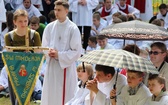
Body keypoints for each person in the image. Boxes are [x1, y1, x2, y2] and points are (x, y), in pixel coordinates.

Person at [41, 1, 82, 105]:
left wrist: (59, 55)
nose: (56, 12)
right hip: (52, 66)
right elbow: (44, 46)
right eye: (55, 9)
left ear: (66, 11)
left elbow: (76, 51)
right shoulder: (49, 27)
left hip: (66, 67)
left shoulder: (73, 28)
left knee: (66, 95)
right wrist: (49, 52)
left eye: (59, 10)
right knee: (51, 94)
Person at [4, 9, 41, 105]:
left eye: (25, 21)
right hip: (14, 70)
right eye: (20, 21)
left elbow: (38, 53)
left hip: (30, 69)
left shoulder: (34, 35)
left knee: (26, 97)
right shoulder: (9, 36)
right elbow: (9, 55)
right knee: (15, 97)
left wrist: (31, 53)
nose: (23, 24)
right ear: (14, 22)